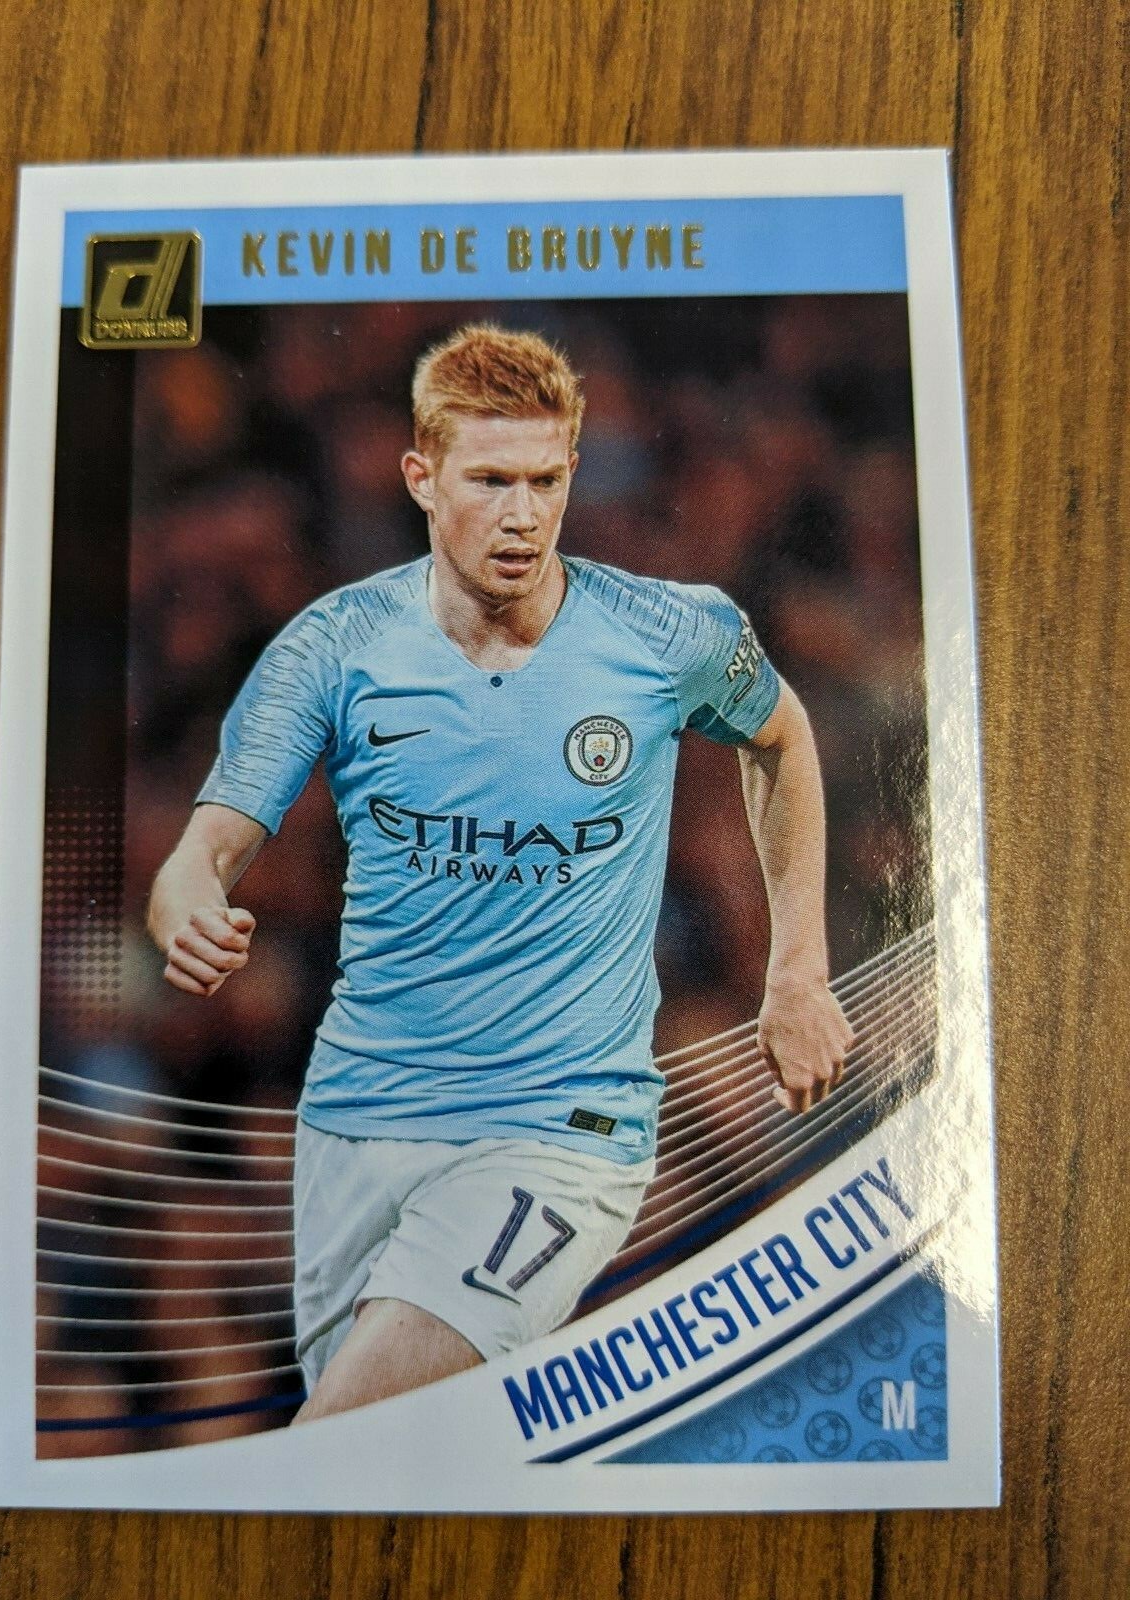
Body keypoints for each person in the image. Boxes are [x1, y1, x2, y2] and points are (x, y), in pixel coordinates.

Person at [146, 323, 853, 1424]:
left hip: (561, 1132)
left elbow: (782, 736)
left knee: (331, 1443)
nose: (522, 514)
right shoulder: (337, 646)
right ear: (421, 478)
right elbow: (205, 848)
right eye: (489, 481)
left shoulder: (669, 633)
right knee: (390, 1469)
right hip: (358, 1122)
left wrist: (797, 974)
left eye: (544, 480)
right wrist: (190, 897)